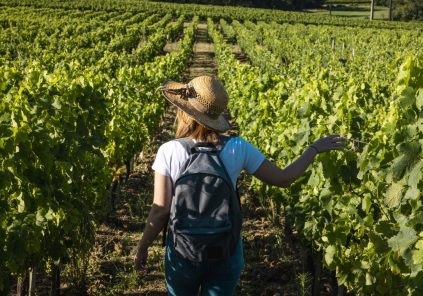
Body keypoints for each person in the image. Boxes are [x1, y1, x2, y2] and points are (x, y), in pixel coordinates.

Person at [134, 75, 346, 295]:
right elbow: (284, 178)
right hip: (226, 249)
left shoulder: (169, 151)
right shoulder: (238, 148)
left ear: (184, 111)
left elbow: (160, 211)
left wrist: (143, 247)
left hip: (183, 251)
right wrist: (313, 149)